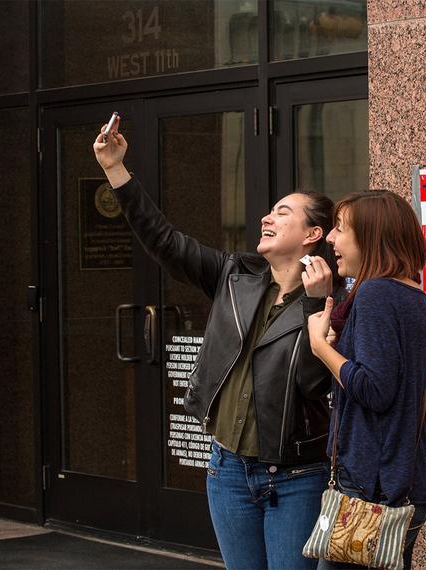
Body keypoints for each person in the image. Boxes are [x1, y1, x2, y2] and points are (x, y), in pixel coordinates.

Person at [93, 118, 342, 569]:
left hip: (297, 477)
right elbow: (165, 241)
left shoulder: (333, 300)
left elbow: (312, 379)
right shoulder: (235, 276)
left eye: (283, 212)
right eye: (270, 210)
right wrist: (116, 171)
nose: (267, 217)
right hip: (226, 470)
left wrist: (315, 304)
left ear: (312, 235)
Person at [306, 191, 426, 569]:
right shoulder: (411, 295)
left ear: (371, 237)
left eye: (340, 229)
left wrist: (321, 347)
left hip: (372, 487)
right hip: (403, 480)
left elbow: (375, 389)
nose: (330, 238)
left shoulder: (376, 294)